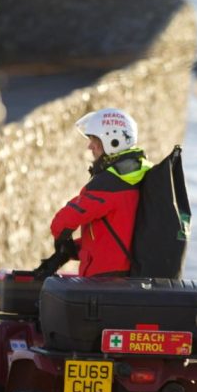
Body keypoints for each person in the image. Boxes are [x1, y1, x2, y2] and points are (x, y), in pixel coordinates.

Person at [49, 108, 152, 277]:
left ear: (113, 142)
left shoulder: (109, 184)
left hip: (105, 279)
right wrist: (72, 250)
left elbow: (62, 223)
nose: (90, 146)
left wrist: (61, 241)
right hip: (128, 274)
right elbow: (114, 232)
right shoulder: (138, 171)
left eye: (94, 140)